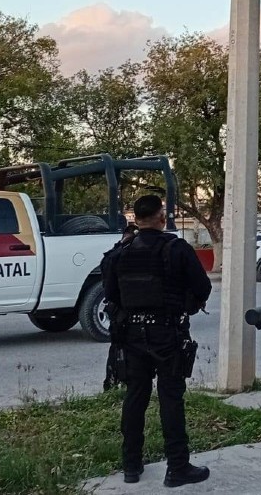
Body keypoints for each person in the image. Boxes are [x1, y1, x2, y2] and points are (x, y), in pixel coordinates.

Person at [103, 195, 212, 488]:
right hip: (167, 334)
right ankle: (177, 467)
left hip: (131, 337)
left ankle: (131, 465)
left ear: (136, 219)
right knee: (171, 398)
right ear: (161, 218)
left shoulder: (119, 253)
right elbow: (203, 287)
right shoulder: (176, 249)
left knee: (135, 396)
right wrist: (183, 307)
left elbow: (109, 294)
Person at [101, 222, 139, 391]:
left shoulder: (114, 255)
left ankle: (115, 384)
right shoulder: (168, 248)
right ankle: (115, 382)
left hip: (123, 319)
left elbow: (109, 291)